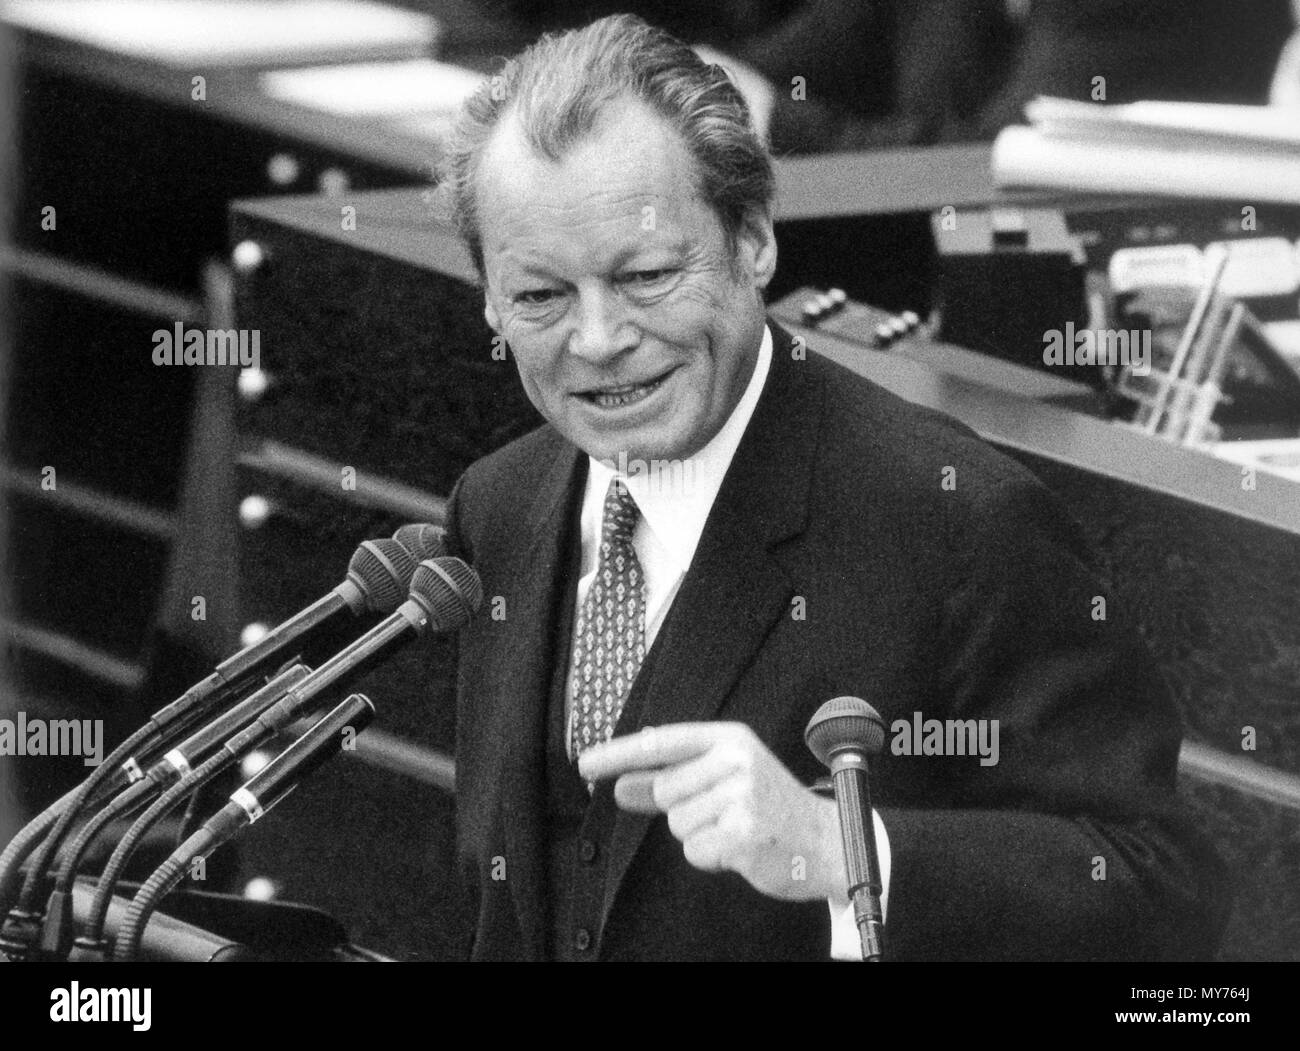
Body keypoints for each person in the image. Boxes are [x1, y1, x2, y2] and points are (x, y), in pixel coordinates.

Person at [436, 13, 1225, 961]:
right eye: (540, 297)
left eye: (646, 275)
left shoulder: (959, 523)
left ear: (755, 243)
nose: (598, 339)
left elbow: (1156, 887)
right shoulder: (498, 505)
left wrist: (843, 852)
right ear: (487, 299)